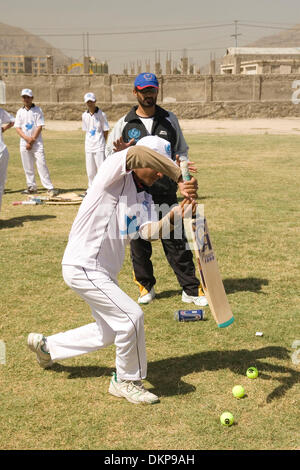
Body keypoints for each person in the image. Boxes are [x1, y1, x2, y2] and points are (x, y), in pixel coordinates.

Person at [27, 135, 198, 405]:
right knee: (132, 316)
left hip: (101, 273)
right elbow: (137, 155)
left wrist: (176, 213)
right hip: (84, 265)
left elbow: (146, 232)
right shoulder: (115, 168)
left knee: (109, 330)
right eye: (157, 165)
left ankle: (49, 348)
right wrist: (178, 173)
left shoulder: (142, 196)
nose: (158, 173)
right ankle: (126, 380)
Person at [105, 72, 207, 306]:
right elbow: (110, 157)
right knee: (138, 244)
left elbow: (181, 153)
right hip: (134, 194)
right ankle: (145, 286)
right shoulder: (124, 123)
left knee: (175, 241)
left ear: (157, 91)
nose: (148, 95)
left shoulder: (169, 119)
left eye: (152, 90)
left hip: (165, 191)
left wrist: (184, 182)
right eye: (144, 91)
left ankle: (190, 289)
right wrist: (120, 154)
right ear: (135, 92)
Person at [14, 89, 58, 196]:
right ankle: (31, 187)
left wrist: (32, 140)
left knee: (41, 164)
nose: (26, 99)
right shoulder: (20, 112)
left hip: (37, 143)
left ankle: (49, 187)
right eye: (24, 97)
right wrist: (27, 139)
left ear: (32, 98)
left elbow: (39, 126)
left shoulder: (38, 110)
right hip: (24, 142)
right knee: (27, 166)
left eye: (28, 97)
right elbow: (18, 128)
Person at [82, 92, 110, 189]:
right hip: (89, 146)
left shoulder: (102, 114)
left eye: (91, 101)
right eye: (88, 102)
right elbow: (86, 130)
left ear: (95, 101)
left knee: (101, 169)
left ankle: (104, 188)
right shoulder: (84, 115)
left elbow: (106, 130)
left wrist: (102, 142)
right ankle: (91, 189)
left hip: (99, 145)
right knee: (90, 171)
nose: (90, 104)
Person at [0, 107, 15, 213]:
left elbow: (13, 120)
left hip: (1, 151)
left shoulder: (1, 112)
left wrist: (4, 129)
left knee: (0, 185)